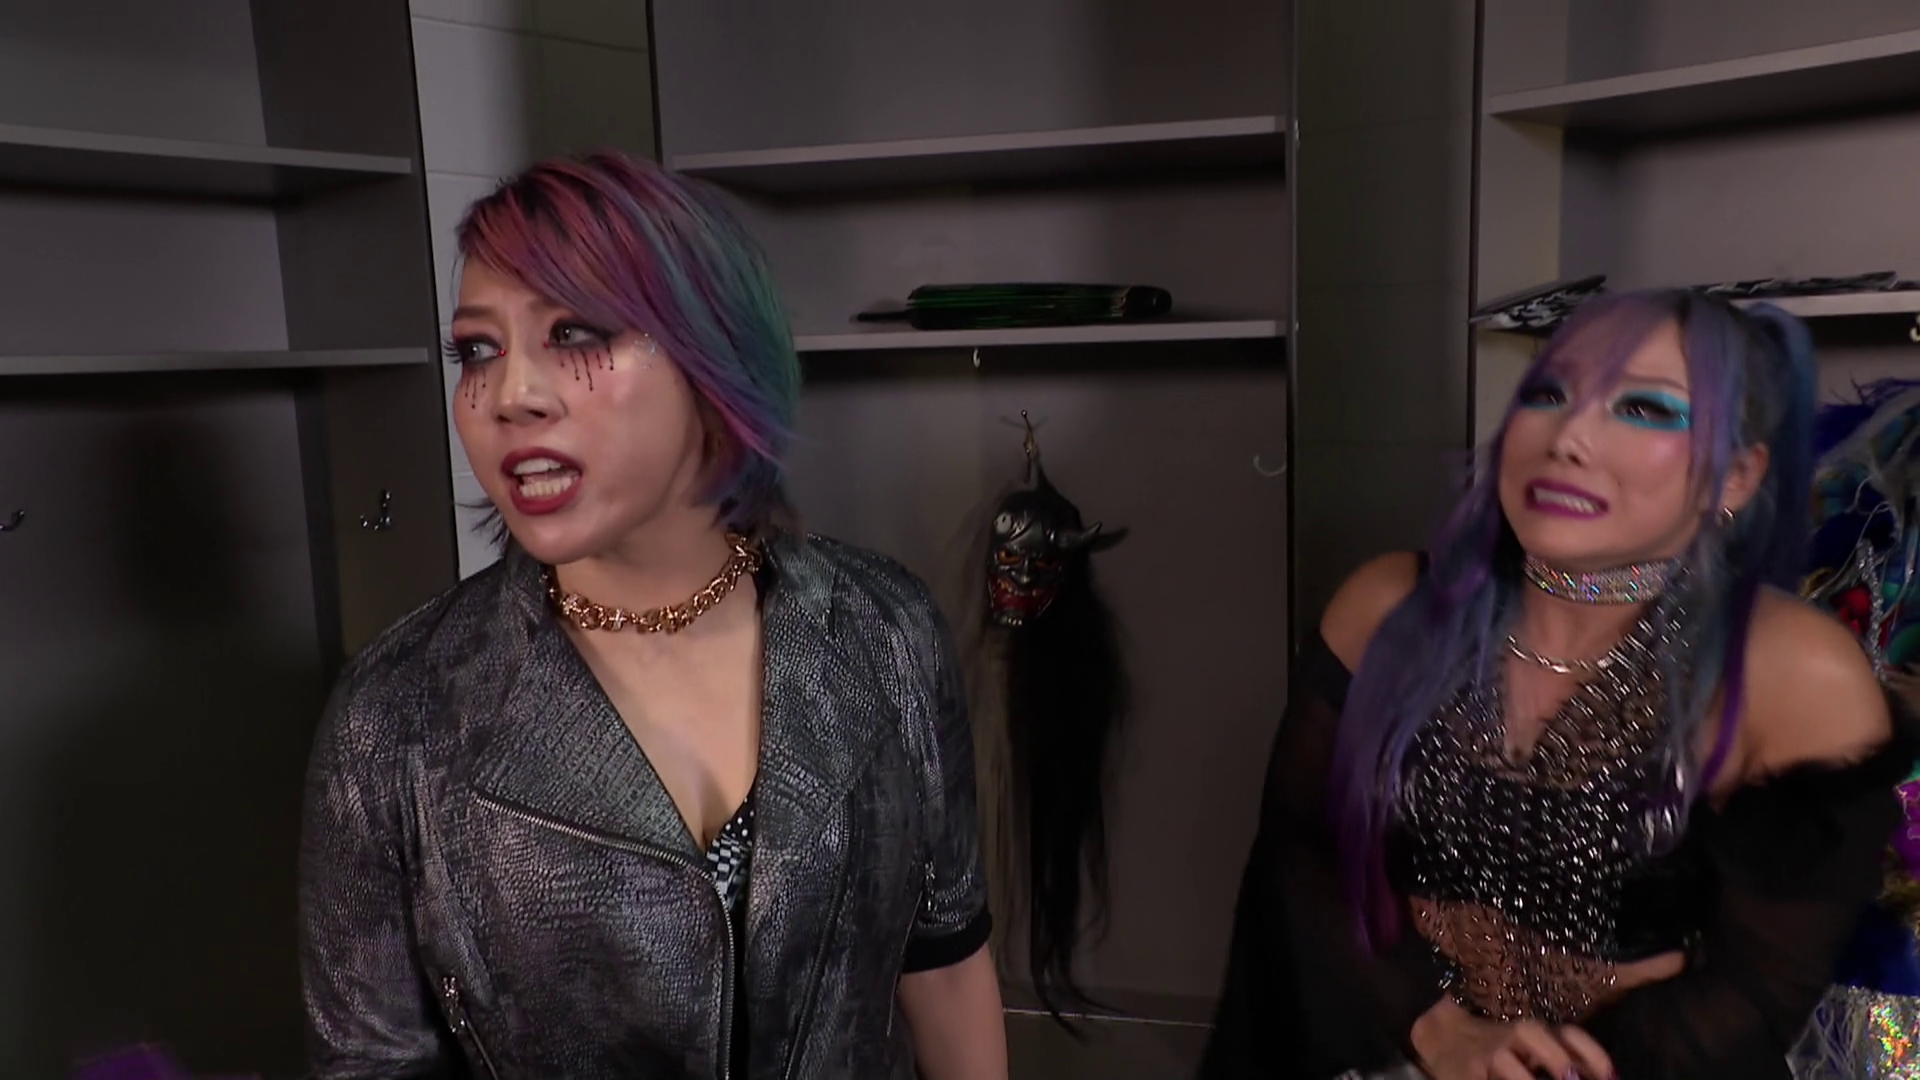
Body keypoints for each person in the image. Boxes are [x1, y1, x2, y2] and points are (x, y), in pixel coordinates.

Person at [296, 151, 1008, 1080]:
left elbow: (944, 962)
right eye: (478, 350)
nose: (510, 396)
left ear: (714, 360)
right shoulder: (396, 714)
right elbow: (371, 1067)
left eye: (573, 333)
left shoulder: (884, 627)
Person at [1200, 289, 1920, 1079]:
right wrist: (1436, 1030)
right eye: (1548, 394)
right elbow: (1300, 859)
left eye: (1645, 408)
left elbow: (1754, 993)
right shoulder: (1387, 609)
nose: (1568, 438)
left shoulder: (1791, 672)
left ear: (1736, 477)